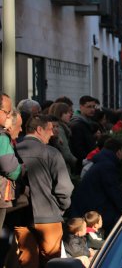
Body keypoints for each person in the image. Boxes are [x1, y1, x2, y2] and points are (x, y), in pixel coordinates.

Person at [14, 114, 74, 268]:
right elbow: (65, 188)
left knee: (27, 262)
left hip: (19, 214)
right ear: (39, 130)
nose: (53, 133)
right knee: (52, 262)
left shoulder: (13, 150)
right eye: (49, 129)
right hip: (48, 216)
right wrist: (61, 208)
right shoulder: (51, 152)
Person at [71, 138, 122, 236]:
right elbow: (113, 192)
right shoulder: (107, 166)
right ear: (119, 152)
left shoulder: (101, 163)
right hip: (94, 211)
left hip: (86, 208)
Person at [0, 109, 23, 229]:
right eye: (19, 126)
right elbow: (10, 168)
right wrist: (21, 169)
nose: (21, 129)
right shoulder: (3, 136)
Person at [70, 96, 100, 173]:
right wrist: (88, 160)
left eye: (94, 106)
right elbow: (78, 148)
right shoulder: (77, 124)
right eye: (89, 107)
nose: (92, 109)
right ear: (81, 107)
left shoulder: (87, 122)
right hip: (83, 165)